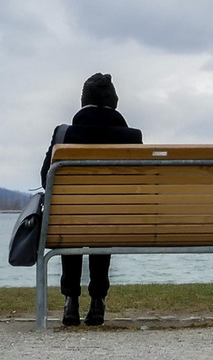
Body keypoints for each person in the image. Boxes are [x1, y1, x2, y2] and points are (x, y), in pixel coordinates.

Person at [41, 73, 141, 327]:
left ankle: (71, 300)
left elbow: (46, 180)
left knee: (70, 216)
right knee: (106, 218)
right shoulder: (132, 138)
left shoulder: (64, 135)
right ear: (114, 102)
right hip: (116, 224)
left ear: (83, 101)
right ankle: (98, 299)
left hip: (69, 223)